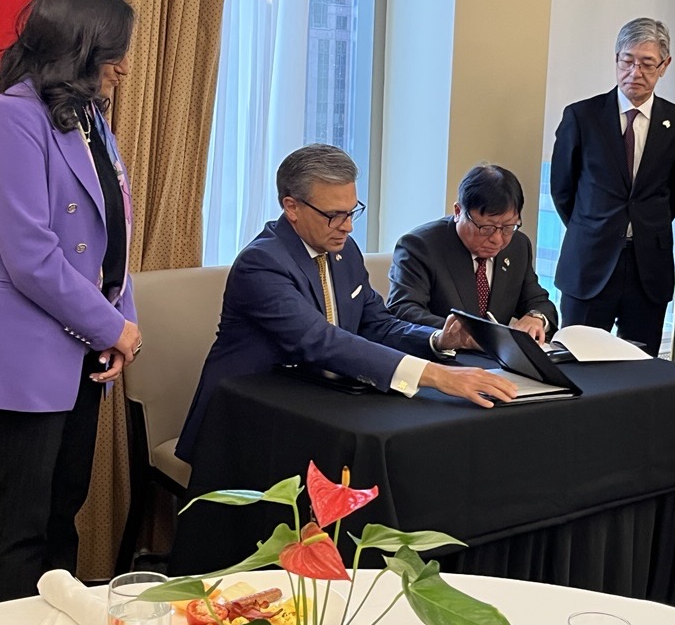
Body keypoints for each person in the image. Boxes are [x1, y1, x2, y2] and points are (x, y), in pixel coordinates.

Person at [0, 0, 142, 602]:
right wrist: (110, 326)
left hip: (85, 341)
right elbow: (31, 255)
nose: (122, 64)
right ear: (79, 45)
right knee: (22, 520)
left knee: (65, 510)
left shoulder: (85, 115)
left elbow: (110, 230)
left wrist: (120, 327)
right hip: (26, 346)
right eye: (114, 49)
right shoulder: (13, 117)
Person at [176, 145, 518, 462]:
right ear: (291, 207)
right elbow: (320, 341)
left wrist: (437, 341)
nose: (348, 227)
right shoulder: (262, 264)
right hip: (248, 422)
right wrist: (435, 375)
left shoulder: (343, 251)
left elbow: (377, 323)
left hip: (321, 406)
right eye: (334, 215)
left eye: (352, 211)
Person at [550, 17, 675, 356]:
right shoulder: (581, 117)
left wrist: (640, 225)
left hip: (648, 267)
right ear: (616, 59)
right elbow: (563, 189)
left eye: (647, 63)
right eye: (627, 61)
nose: (635, 72)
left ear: (664, 66)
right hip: (589, 262)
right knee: (576, 363)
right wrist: (597, 226)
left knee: (639, 368)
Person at [387, 163, 558, 342]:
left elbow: (539, 301)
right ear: (458, 212)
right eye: (487, 228)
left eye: (508, 227)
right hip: (444, 358)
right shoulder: (420, 246)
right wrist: (462, 333)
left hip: (499, 362)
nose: (498, 240)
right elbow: (403, 309)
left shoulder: (518, 246)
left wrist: (536, 317)